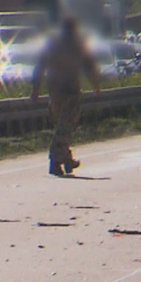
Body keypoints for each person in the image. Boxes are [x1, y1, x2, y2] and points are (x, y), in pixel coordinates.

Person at [31, 17, 101, 177]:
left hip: (55, 91)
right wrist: (96, 86)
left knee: (64, 126)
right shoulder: (76, 45)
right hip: (70, 91)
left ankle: (67, 160)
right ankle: (55, 161)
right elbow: (89, 67)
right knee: (65, 126)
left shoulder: (53, 45)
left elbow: (40, 68)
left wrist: (35, 90)